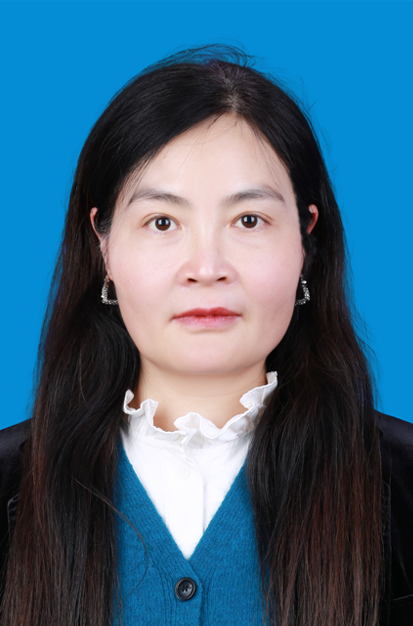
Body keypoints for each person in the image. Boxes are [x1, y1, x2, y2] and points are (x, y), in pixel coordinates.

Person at [0, 43, 412, 626]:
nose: (206, 267)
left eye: (249, 220)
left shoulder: (402, 485)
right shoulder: (10, 485)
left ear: (306, 240)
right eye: (162, 221)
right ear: (103, 246)